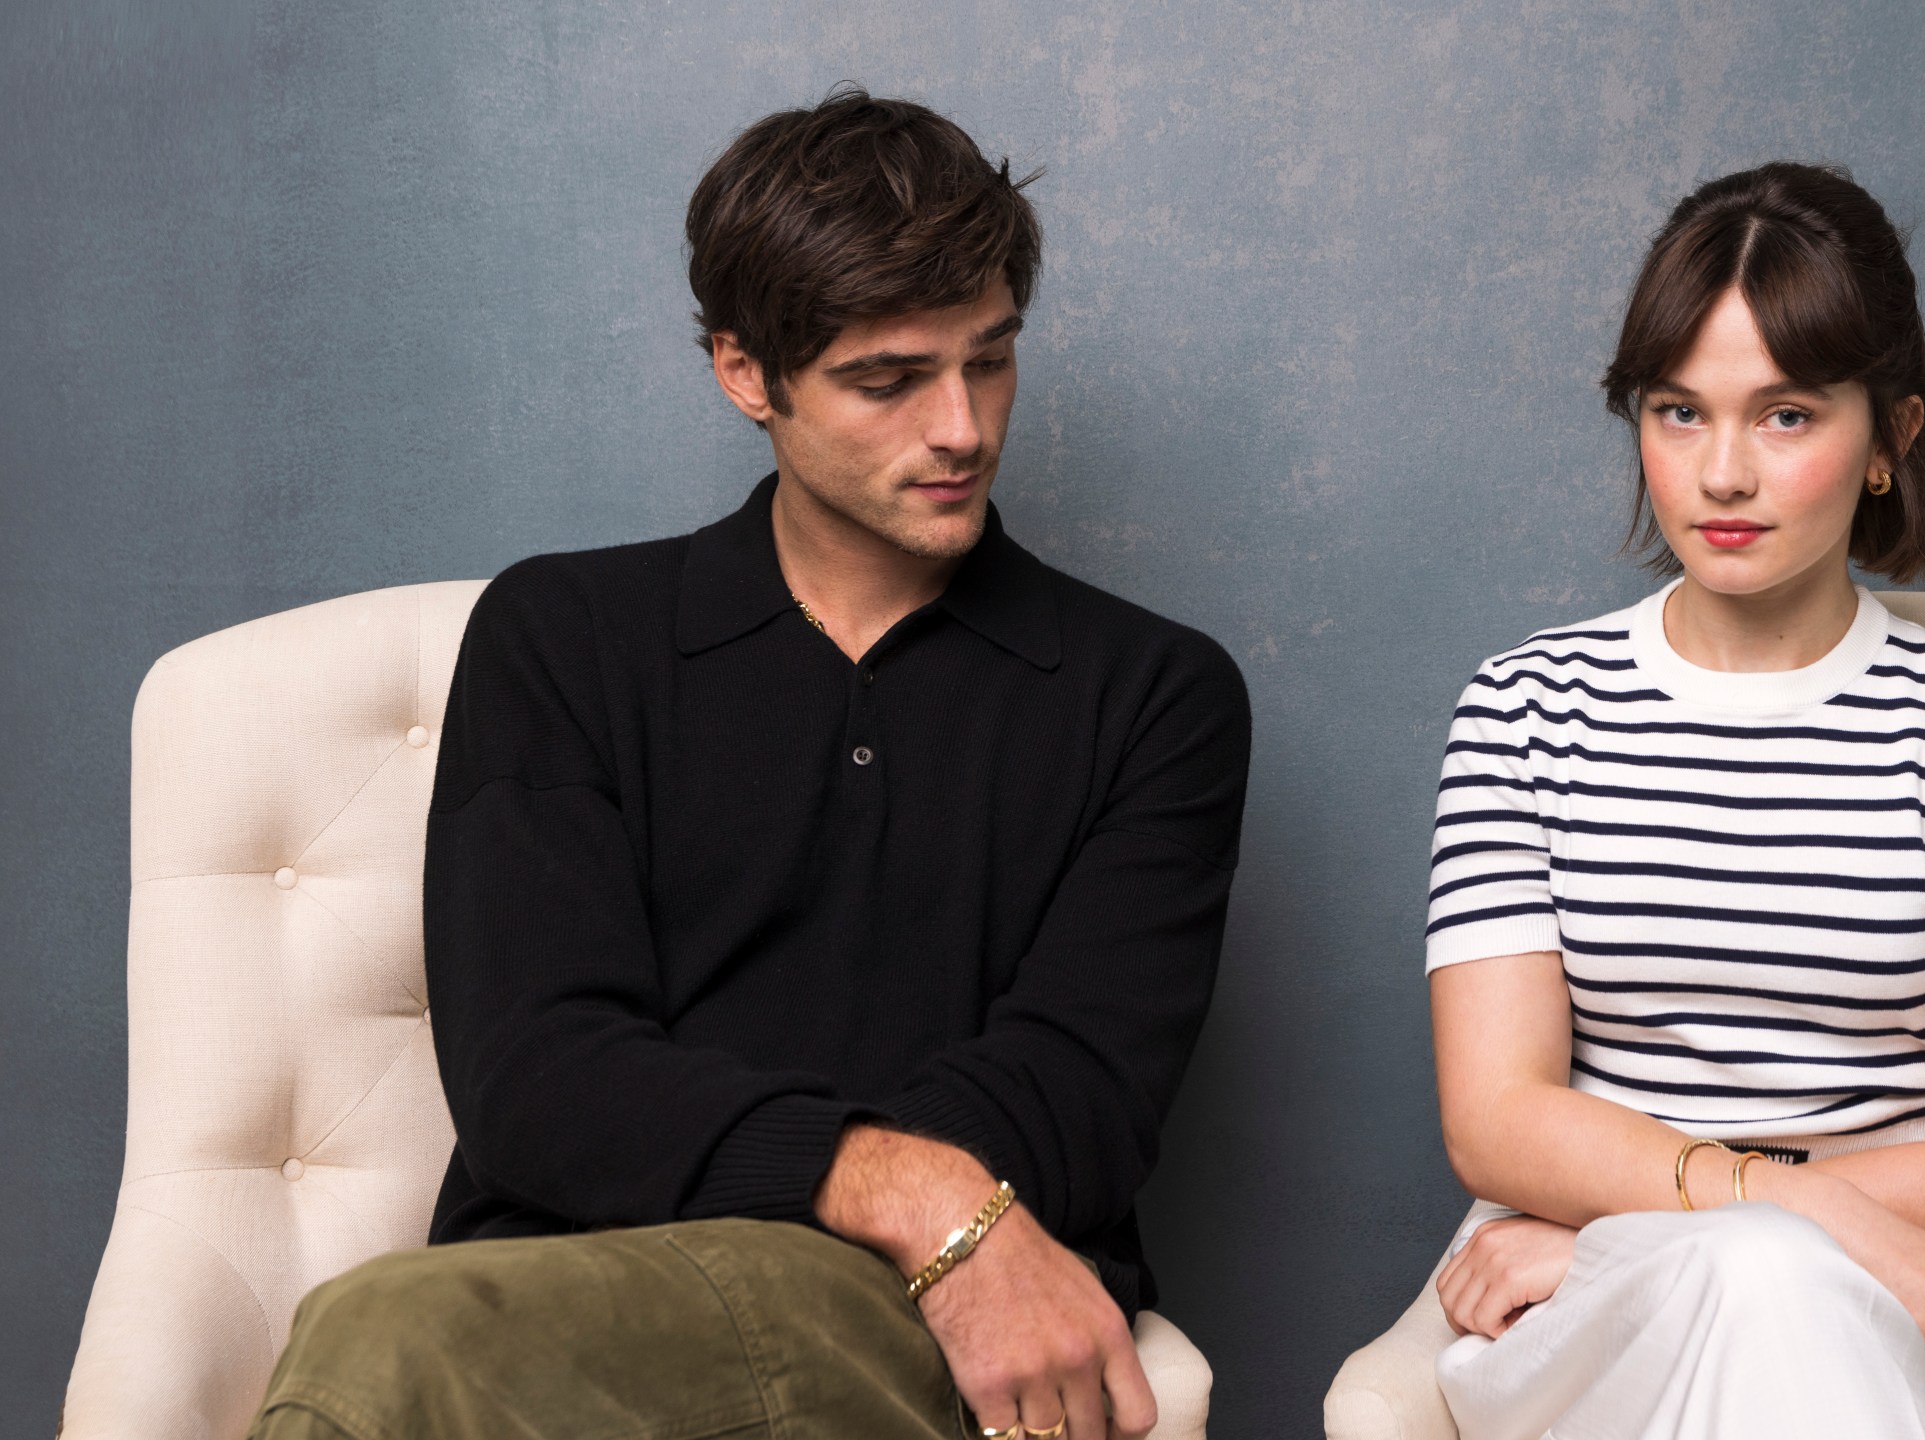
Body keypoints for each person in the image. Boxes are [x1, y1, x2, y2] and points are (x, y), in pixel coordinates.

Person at [247, 89, 1250, 1440]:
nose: (960, 427)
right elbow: (537, 1079)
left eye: (991, 358)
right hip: (565, 1295)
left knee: (378, 1346)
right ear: (744, 372)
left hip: (922, 1316)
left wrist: (907, 1218)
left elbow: (1079, 1093)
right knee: (403, 1342)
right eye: (888, 380)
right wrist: (913, 1187)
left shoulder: (1152, 694)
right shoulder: (565, 639)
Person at [1422, 163, 1925, 1439]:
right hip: (1596, 1307)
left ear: (1893, 438)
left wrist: (1677, 1223)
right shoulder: (1525, 709)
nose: (1722, 473)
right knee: (1755, 1276)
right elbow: (1496, 1119)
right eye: (1678, 412)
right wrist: (1755, 1223)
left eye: (1788, 416)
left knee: (1768, 1285)